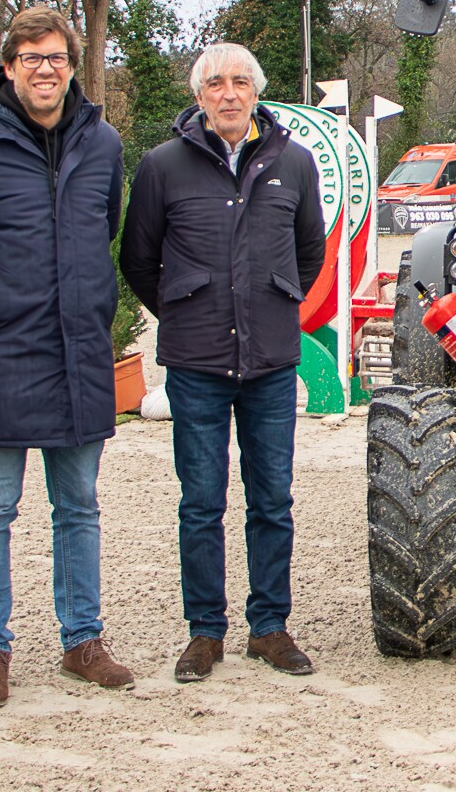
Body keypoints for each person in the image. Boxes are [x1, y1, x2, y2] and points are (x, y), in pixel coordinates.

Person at [0, 8, 131, 706]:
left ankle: (83, 639)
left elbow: (104, 227)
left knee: (79, 505)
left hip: (79, 353)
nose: (47, 68)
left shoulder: (102, 143)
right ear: (7, 66)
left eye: (58, 57)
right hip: (1, 354)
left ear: (73, 64)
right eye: (32, 56)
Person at [120, 44, 325, 681]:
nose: (229, 93)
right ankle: (205, 630)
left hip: (268, 361)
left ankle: (269, 626)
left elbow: (309, 254)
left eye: (240, 82)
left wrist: (271, 302)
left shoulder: (293, 162)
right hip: (196, 363)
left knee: (272, 501)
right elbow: (138, 259)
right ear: (200, 95)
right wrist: (185, 310)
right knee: (200, 503)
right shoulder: (162, 166)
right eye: (216, 83)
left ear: (256, 92)